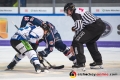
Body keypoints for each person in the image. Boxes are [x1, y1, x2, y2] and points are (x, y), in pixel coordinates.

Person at [64, 3, 106, 68]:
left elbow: (79, 27)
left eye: (66, 12)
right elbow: (80, 29)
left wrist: (73, 29)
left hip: (93, 26)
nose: (67, 14)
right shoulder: (78, 11)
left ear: (69, 10)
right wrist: (73, 43)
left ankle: (80, 63)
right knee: (90, 42)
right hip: (101, 25)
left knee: (77, 42)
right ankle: (98, 61)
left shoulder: (75, 14)